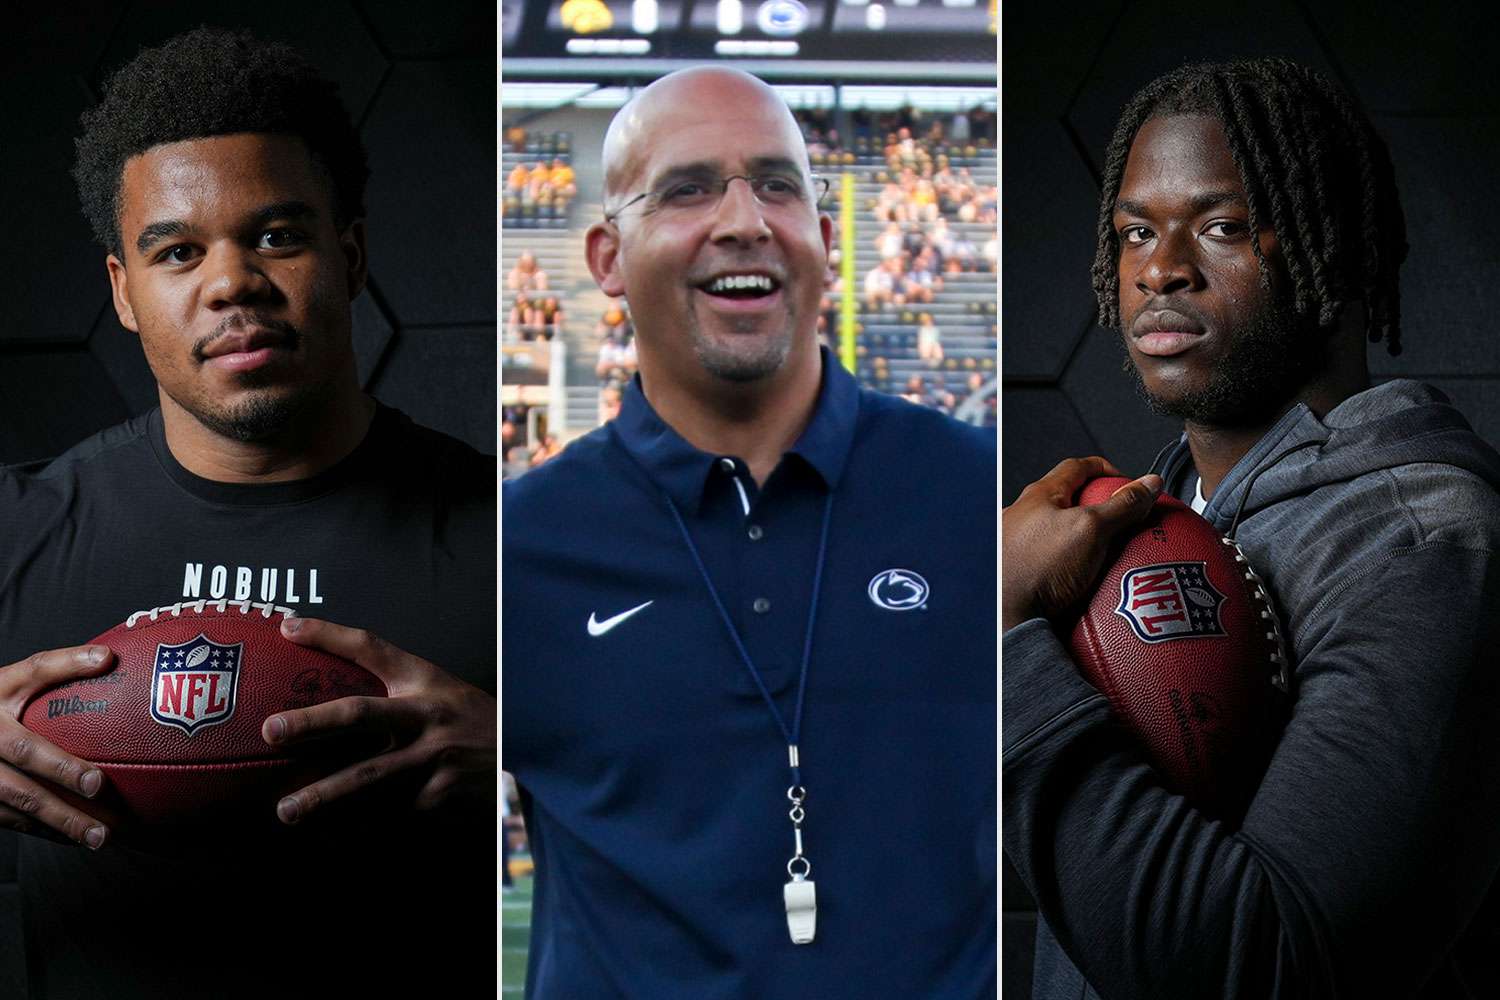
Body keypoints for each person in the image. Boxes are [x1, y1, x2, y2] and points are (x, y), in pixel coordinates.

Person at [0, 29, 496, 998]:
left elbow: (717, 813)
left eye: (277, 236)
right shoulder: (16, 531)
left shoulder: (520, 542)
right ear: (124, 293)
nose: (231, 283)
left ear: (349, 256)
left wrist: (529, 775)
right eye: (177, 251)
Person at [1001, 57, 1500, 999]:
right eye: (1136, 231)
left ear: (1337, 248)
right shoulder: (1144, 518)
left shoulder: (1425, 544)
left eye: (1222, 227)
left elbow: (1264, 964)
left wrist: (1006, 647)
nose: (1161, 268)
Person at [503, 66, 995, 998]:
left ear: (826, 236)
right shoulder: (516, 549)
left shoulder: (979, 496)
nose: (744, 220)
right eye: (689, 189)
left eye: (778, 185)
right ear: (606, 258)